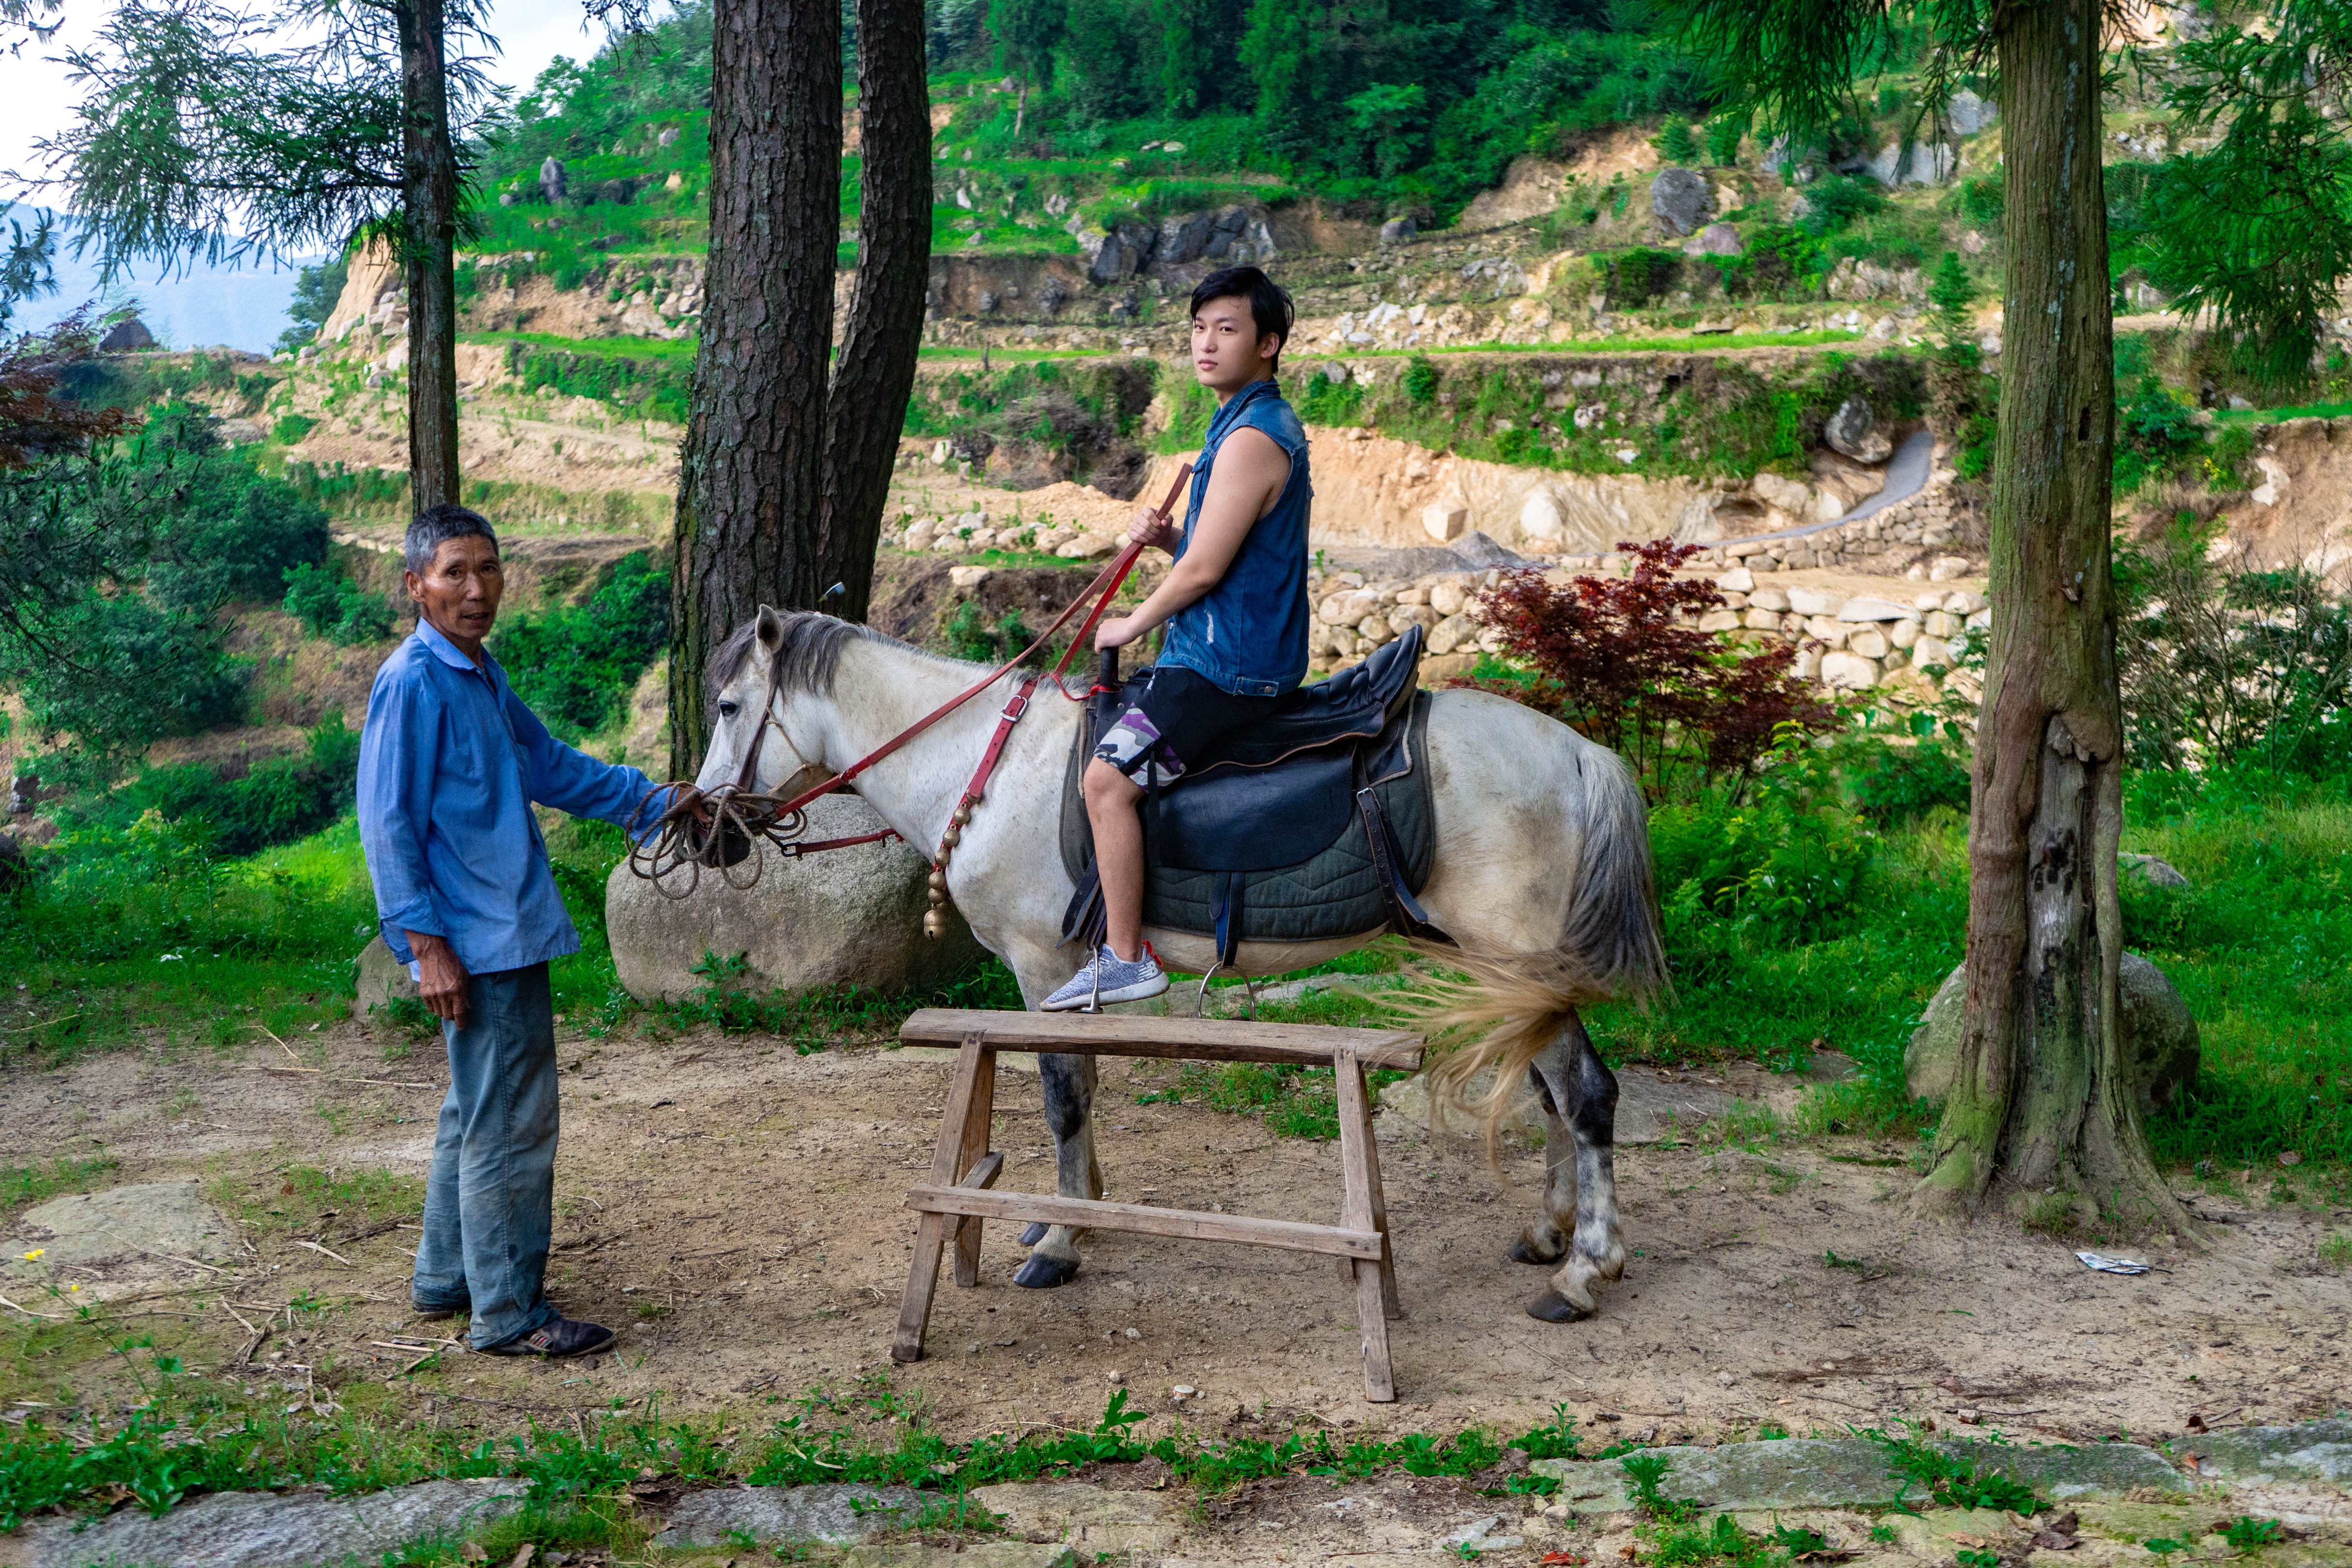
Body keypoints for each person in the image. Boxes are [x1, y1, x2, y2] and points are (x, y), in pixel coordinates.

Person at [357, 504, 676, 1356]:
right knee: (512, 1125)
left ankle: (448, 1278)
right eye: (454, 572)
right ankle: (508, 1313)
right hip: (476, 941)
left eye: (488, 569)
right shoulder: (414, 681)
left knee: (476, 1110)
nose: (475, 588)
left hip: (502, 932)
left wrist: (659, 803)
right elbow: (387, 826)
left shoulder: (477, 670)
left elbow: (550, 766)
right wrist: (425, 948)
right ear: (415, 585)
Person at [1045, 265, 1311, 1011]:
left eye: (1226, 329)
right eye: (1198, 328)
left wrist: (1130, 622)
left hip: (1227, 667)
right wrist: (1170, 537)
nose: (1205, 343)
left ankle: (1127, 956)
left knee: (1104, 781)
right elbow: (1218, 553)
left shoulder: (1253, 439)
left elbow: (1201, 574)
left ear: (1268, 344)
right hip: (1223, 648)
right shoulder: (1236, 426)